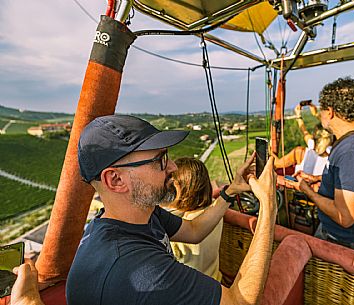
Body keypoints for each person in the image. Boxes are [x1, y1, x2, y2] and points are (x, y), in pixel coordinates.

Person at [66, 114, 278, 305]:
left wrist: (230, 191)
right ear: (116, 179)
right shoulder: (134, 267)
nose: (173, 167)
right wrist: (268, 207)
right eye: (160, 160)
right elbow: (240, 303)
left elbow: (195, 230)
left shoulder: (142, 213)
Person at [285, 77, 354, 256]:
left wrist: (308, 191)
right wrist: (317, 179)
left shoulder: (353, 152)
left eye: (321, 109)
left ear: (329, 112)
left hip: (347, 243)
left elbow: (344, 217)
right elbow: (352, 182)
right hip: (343, 237)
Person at [163, 157, 223, 281]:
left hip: (191, 291)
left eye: (170, 183)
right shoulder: (214, 210)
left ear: (183, 189)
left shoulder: (180, 223)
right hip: (215, 280)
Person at [274, 102, 334, 187]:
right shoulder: (335, 152)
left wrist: (270, 151)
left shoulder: (300, 152)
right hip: (322, 196)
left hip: (301, 194)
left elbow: (277, 164)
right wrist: (316, 114)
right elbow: (333, 128)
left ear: (314, 136)